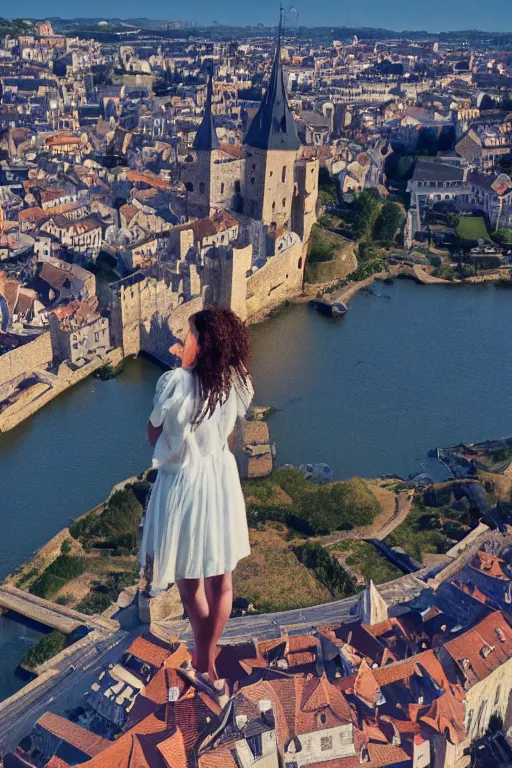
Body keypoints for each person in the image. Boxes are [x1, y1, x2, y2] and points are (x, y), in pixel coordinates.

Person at [140, 307, 253, 681]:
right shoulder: (234, 379)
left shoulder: (176, 383)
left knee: (189, 584)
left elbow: (153, 436)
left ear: (202, 344)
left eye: (188, 336)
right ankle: (207, 659)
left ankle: (204, 660)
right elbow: (229, 435)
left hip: (184, 483)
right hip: (221, 478)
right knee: (222, 581)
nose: (181, 342)